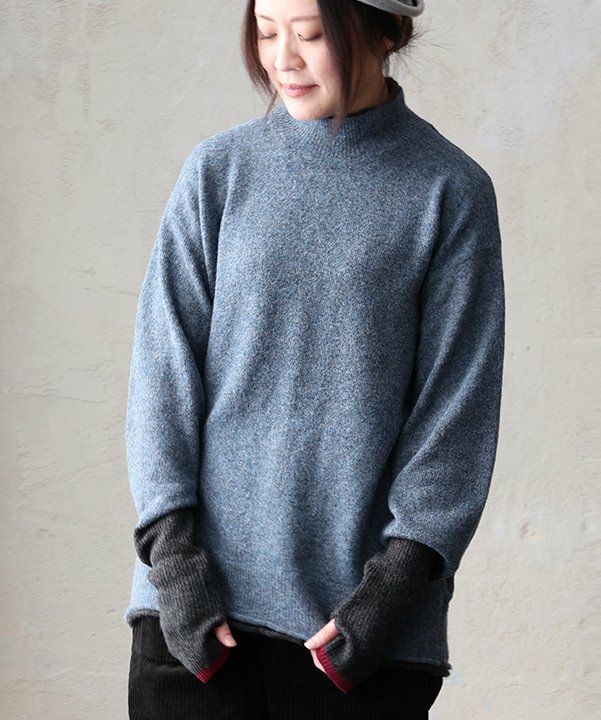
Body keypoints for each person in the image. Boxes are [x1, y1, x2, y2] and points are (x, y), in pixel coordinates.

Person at [123, 0, 505, 717]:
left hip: (359, 643)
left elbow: (457, 409)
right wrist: (173, 567)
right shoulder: (219, 172)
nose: (283, 59)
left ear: (385, 31)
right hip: (198, 622)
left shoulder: (448, 191)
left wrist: (392, 590)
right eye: (267, 32)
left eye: (310, 34)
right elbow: (161, 377)